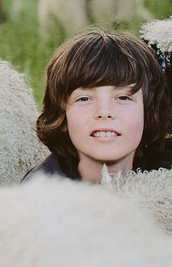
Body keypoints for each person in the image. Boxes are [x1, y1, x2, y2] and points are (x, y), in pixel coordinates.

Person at [25, 27, 172, 182]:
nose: (104, 111)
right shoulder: (39, 195)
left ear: (149, 113)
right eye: (84, 99)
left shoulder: (165, 182)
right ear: (61, 116)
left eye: (123, 97)